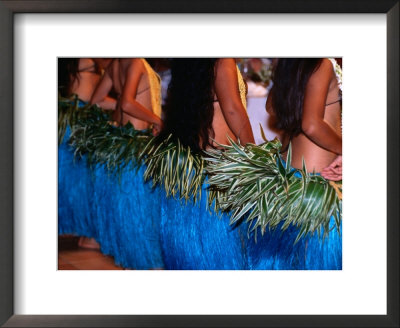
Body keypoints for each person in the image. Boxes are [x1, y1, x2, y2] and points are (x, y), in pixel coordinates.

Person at [158, 58, 255, 269]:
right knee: (220, 249)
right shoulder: (222, 59)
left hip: (200, 161)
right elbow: (232, 110)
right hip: (220, 166)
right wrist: (254, 154)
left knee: (199, 244)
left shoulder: (193, 60)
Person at [248, 58, 342, 269]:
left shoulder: (291, 62)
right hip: (316, 185)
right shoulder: (322, 62)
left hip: (289, 179)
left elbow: (272, 107)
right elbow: (311, 124)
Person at [58, 58, 116, 250]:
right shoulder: (89, 55)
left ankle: (86, 234)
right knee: (83, 179)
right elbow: (92, 97)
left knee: (78, 180)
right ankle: (88, 235)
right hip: (79, 119)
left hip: (78, 117)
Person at [91, 58, 163, 135]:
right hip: (134, 133)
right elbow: (127, 104)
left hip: (116, 129)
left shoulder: (114, 64)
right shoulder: (135, 62)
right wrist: (157, 120)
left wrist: (121, 102)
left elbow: (97, 101)